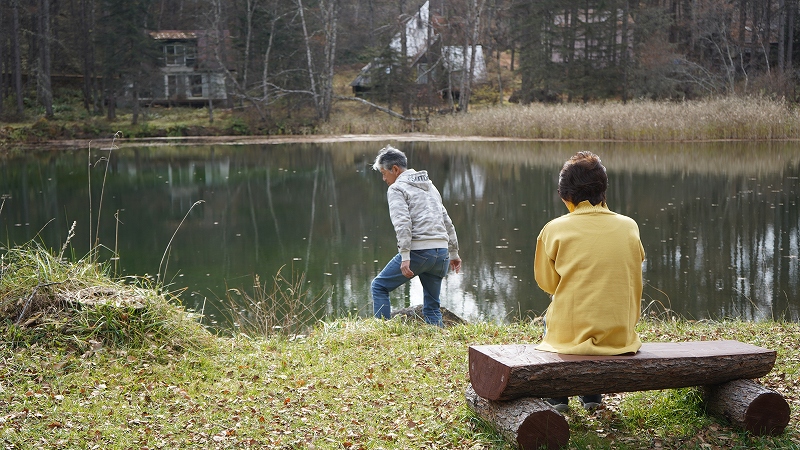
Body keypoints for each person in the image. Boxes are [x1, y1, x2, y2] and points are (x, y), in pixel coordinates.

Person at [533, 151, 645, 412]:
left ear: (566, 195)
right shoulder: (629, 226)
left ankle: (558, 396)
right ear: (603, 191)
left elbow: (548, 283)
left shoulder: (554, 229)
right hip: (620, 335)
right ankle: (592, 395)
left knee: (557, 318)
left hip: (570, 332)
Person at [371, 145, 461, 327]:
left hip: (419, 253)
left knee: (379, 286)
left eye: (383, 173)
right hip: (441, 254)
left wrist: (405, 256)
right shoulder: (430, 186)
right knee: (432, 308)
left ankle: (381, 335)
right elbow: (447, 221)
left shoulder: (397, 189)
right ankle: (439, 345)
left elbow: (403, 224)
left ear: (395, 169)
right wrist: (453, 253)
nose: (383, 178)